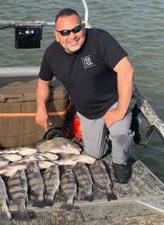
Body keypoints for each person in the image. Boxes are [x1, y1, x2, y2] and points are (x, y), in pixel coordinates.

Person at [35, 8, 134, 183]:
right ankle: (115, 133)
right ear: (56, 36)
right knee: (95, 154)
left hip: (113, 102)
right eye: (65, 32)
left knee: (120, 133)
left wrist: (119, 111)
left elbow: (126, 70)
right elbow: (43, 82)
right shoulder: (51, 54)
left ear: (83, 28)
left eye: (76, 29)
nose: (72, 36)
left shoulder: (100, 39)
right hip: (88, 111)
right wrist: (41, 107)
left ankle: (121, 160)